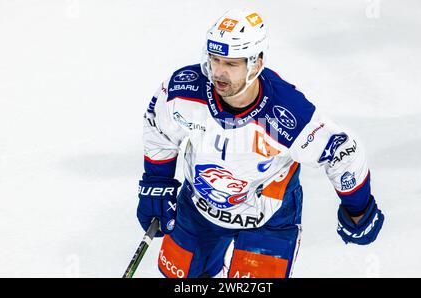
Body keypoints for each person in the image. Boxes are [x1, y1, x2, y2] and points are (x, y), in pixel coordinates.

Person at [136, 9, 385, 278]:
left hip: (268, 218)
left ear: (255, 64)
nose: (218, 72)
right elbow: (158, 128)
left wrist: (358, 208)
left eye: (231, 64)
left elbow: (341, 152)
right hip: (198, 208)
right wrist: (157, 183)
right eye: (214, 59)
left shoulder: (287, 114)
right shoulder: (184, 91)